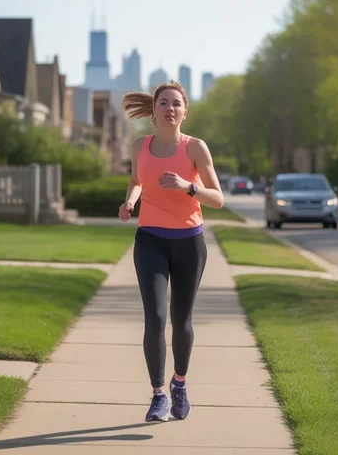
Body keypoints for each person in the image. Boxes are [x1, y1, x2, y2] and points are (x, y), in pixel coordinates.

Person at [118, 81, 225, 422]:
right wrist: (130, 203)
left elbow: (218, 198)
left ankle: (180, 383)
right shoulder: (140, 145)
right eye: (163, 103)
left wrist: (188, 187)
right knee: (156, 318)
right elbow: (137, 180)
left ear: (184, 111)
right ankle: (158, 395)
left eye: (176, 103)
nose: (169, 108)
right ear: (154, 110)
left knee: (181, 321)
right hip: (149, 240)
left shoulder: (195, 148)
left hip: (189, 243)